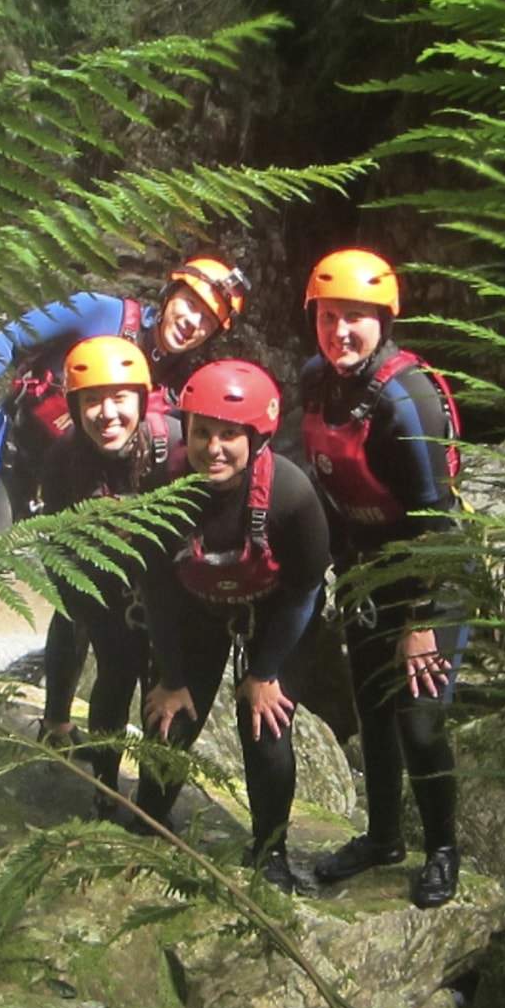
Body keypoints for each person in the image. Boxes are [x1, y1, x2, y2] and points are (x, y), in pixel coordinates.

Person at [0, 258, 248, 783]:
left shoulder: (183, 382)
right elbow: (9, 340)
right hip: (13, 461)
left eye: (208, 319)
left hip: (76, 482)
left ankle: (55, 724)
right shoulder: (98, 311)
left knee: (80, 594)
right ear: (171, 291)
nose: (193, 321)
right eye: (191, 304)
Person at [300, 248, 466, 908]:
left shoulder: (407, 399)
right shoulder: (317, 380)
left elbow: (440, 522)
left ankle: (444, 849)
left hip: (434, 573)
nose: (341, 331)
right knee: (371, 708)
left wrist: (420, 622)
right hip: (367, 571)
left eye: (357, 319)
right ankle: (383, 836)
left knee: (418, 721)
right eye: (329, 316)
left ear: (384, 321)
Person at [137, 360, 330, 893]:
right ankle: (149, 823)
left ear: (255, 438)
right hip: (196, 610)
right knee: (167, 717)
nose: (213, 448)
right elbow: (153, 586)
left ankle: (271, 850)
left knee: (264, 723)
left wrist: (265, 671)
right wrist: (172, 677)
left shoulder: (292, 496)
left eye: (229, 435)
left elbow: (306, 590)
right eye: (202, 433)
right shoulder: (162, 487)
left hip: (276, 617)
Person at [39, 336, 180, 818]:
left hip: (169, 587)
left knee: (165, 690)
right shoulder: (64, 458)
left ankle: (155, 804)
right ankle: (107, 787)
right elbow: (57, 542)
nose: (107, 414)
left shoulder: (174, 444)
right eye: (92, 401)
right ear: (75, 408)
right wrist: (82, 606)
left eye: (120, 399)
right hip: (105, 588)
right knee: (115, 680)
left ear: (141, 400)